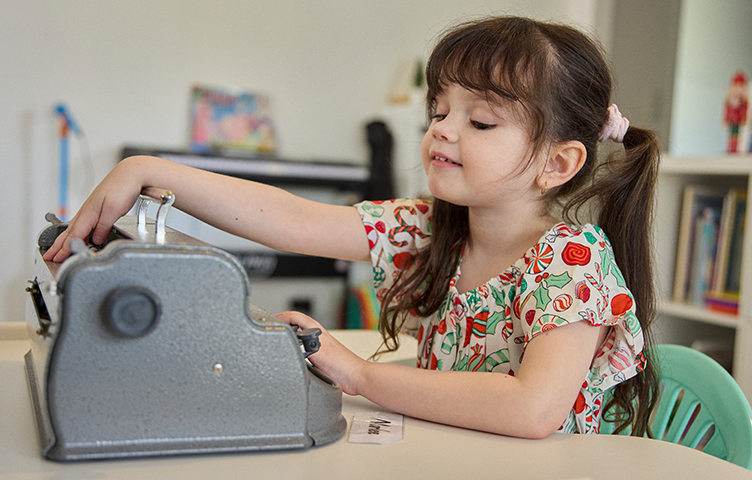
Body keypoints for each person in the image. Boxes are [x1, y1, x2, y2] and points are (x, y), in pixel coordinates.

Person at [44, 15, 660, 439]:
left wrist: (361, 375)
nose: (443, 129)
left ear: (557, 163)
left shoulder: (572, 260)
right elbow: (292, 219)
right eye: (440, 110)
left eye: (481, 122)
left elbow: (533, 410)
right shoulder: (434, 230)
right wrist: (146, 169)